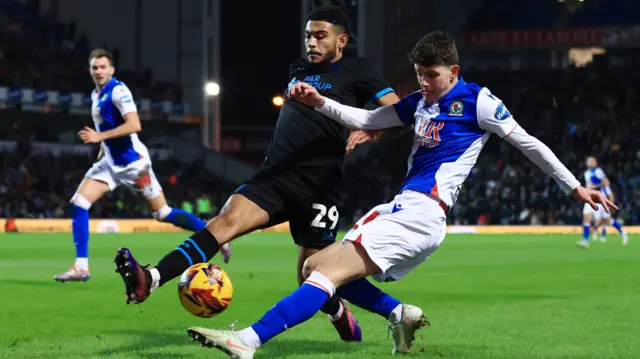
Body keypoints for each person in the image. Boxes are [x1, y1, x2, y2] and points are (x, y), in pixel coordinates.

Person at [184, 31, 616, 358]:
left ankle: (248, 340)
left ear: (454, 72)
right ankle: (397, 314)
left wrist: (574, 185)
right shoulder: (418, 103)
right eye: (419, 75)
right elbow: (370, 117)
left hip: (420, 211)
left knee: (321, 275)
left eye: (432, 76)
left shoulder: (478, 101)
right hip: (410, 210)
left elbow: (529, 143)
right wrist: (321, 103)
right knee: (317, 265)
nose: (424, 83)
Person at [114, 5, 399, 342]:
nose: (312, 41)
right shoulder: (298, 68)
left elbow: (396, 109)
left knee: (312, 275)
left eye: (320, 35)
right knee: (222, 224)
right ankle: (153, 278)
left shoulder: (359, 70)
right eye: (308, 35)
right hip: (275, 176)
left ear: (342, 40)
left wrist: (373, 130)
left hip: (319, 188)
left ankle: (345, 313)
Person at [53, 48, 230, 282]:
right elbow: (108, 127)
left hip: (134, 165)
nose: (98, 71)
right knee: (79, 203)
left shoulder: (118, 91)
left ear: (112, 69)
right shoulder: (97, 95)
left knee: (162, 213)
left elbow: (134, 124)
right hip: (110, 162)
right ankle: (81, 267)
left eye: (103, 66)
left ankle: (217, 235)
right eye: (94, 67)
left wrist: (99, 138)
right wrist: (102, 150)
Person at [577, 156, 628, 248]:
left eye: (591, 161)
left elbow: (606, 182)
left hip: (599, 198)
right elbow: (589, 185)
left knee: (606, 220)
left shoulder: (598, 171)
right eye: (588, 161)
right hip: (590, 197)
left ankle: (622, 232)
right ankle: (585, 241)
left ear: (595, 163)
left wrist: (595, 187)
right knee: (586, 217)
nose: (589, 162)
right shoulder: (586, 173)